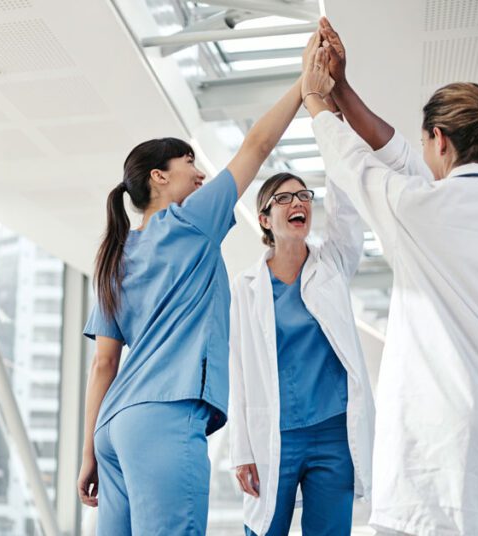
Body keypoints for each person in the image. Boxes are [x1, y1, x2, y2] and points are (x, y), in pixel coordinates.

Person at [302, 19, 478, 535]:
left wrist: (317, 97)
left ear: (440, 140)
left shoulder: (418, 209)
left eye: (425, 143)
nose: (420, 154)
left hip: (449, 450)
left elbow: (353, 163)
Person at [75, 32, 320, 535]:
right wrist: (304, 84)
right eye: (189, 162)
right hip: (165, 422)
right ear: (159, 178)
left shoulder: (115, 255)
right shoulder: (190, 221)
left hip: (113, 430)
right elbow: (257, 145)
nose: (202, 173)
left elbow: (104, 364)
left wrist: (88, 455)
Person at [228, 167, 375, 535]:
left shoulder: (333, 264)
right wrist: (242, 451)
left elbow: (345, 214)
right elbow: (238, 370)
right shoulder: (246, 287)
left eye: (303, 196)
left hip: (333, 434)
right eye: (283, 199)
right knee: (263, 529)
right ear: (264, 219)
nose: (297, 203)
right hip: (275, 433)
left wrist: (330, 127)